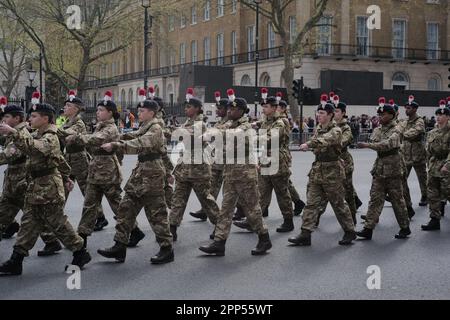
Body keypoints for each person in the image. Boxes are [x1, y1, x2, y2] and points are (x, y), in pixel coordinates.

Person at [0, 103, 91, 275]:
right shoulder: (39, 133)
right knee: (28, 224)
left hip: (48, 188)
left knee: (59, 224)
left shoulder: (50, 136)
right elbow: (59, 159)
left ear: (45, 119)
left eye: (34, 116)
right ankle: (16, 260)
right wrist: (66, 177)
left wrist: (14, 132)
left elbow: (34, 148)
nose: (30, 119)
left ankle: (80, 252)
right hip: (37, 187)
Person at [97, 99, 174, 264]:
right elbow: (132, 135)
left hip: (152, 174)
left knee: (156, 213)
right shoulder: (145, 127)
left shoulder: (155, 128)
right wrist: (115, 137)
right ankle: (119, 246)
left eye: (142, 111)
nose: (138, 113)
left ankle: (166, 248)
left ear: (151, 113)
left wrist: (117, 145)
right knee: (126, 208)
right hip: (140, 173)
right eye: (138, 111)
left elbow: (140, 142)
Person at [66, 91, 143, 249]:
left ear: (110, 113)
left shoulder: (111, 128)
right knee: (89, 205)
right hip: (95, 171)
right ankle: (82, 238)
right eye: (98, 110)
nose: (98, 112)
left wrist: (77, 137)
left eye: (101, 110)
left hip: (107, 172)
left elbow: (96, 139)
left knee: (117, 205)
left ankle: (134, 230)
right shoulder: (100, 125)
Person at [199, 94, 272, 256]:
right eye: (229, 108)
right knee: (226, 209)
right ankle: (219, 242)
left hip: (245, 174)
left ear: (241, 111)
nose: (229, 111)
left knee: (252, 209)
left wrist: (213, 135)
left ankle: (264, 238)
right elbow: (221, 129)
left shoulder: (246, 126)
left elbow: (233, 135)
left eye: (233, 109)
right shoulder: (231, 123)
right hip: (231, 173)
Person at [288, 102, 356, 247]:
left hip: (332, 171)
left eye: (322, 113)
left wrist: (309, 144)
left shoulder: (336, 130)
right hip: (318, 169)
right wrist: (311, 145)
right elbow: (317, 141)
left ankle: (350, 231)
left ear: (330, 115)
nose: (319, 116)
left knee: (338, 204)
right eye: (318, 113)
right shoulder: (318, 128)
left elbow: (326, 140)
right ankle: (305, 233)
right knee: (311, 203)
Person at [169, 88, 219, 241]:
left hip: (198, 170)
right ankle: (172, 229)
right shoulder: (188, 122)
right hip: (185, 169)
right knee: (178, 200)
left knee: (206, 200)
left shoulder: (201, 124)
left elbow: (188, 134)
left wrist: (172, 129)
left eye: (189, 107)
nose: (186, 109)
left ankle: (220, 225)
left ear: (197, 109)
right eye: (185, 106)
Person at [356, 102, 411, 240]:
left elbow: (388, 144)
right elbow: (378, 143)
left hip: (393, 168)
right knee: (375, 198)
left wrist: (368, 145)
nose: (380, 116)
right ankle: (368, 229)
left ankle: (405, 227)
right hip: (380, 167)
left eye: (383, 114)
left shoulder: (397, 128)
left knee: (397, 199)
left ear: (391, 115)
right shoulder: (378, 129)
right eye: (379, 114)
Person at [315, 100, 358, 226]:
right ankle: (315, 217)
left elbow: (342, 142)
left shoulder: (345, 128)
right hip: (325, 163)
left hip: (343, 162)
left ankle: (352, 218)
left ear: (343, 113)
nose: (334, 113)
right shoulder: (324, 126)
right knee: (323, 192)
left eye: (337, 111)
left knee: (348, 193)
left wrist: (327, 141)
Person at [421, 102, 450, 231]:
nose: (439, 117)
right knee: (432, 194)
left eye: (442, 115)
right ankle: (434, 220)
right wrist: (428, 163)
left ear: (448, 117)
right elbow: (428, 150)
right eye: (437, 114)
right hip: (434, 167)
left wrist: (448, 165)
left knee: (447, 192)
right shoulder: (432, 132)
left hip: (446, 166)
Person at [399, 96, 428, 206]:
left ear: (415, 109)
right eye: (406, 108)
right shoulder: (405, 121)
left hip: (418, 154)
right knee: (402, 176)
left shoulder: (419, 121)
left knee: (422, 177)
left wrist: (403, 134)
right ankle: (402, 197)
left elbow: (416, 131)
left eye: (409, 108)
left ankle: (425, 196)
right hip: (406, 154)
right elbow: (398, 130)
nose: (406, 110)